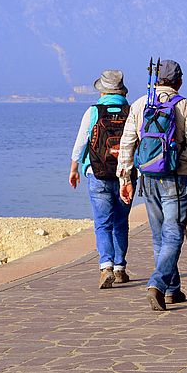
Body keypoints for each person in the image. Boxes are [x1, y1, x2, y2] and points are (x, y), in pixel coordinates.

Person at [117, 59, 187, 311]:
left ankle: (172, 290)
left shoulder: (139, 104)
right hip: (177, 178)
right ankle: (157, 284)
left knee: (159, 237)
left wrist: (125, 179)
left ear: (156, 80)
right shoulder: (184, 106)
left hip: (148, 178)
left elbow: (127, 145)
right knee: (174, 234)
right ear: (179, 81)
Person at [69, 69, 133, 290]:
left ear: (102, 90)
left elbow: (81, 142)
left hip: (97, 174)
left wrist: (74, 167)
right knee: (121, 222)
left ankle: (106, 265)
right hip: (125, 174)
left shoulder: (93, 111)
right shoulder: (130, 110)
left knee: (102, 222)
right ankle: (120, 268)